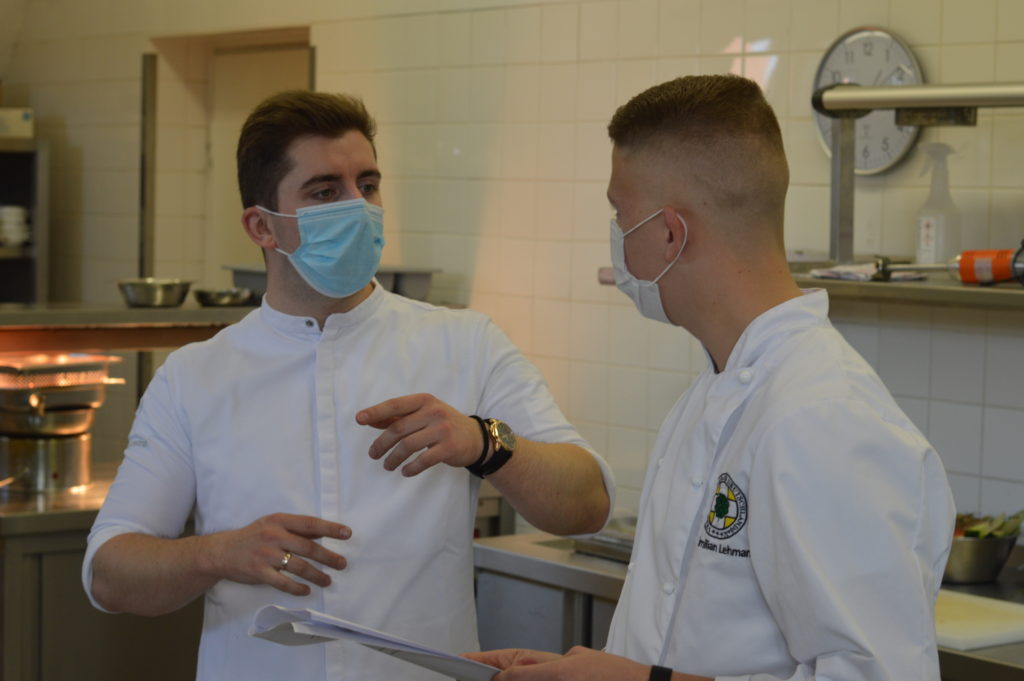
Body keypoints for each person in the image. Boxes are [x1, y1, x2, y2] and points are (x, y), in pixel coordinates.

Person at [82, 90, 613, 681]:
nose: (358, 207)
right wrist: (218, 553)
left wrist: (484, 441)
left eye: (368, 184)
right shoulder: (194, 377)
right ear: (262, 226)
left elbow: (587, 503)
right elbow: (110, 574)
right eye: (325, 192)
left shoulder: (466, 344)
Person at [468, 74, 955, 680]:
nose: (617, 237)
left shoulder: (823, 417)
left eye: (621, 214)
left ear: (671, 233)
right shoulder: (715, 389)